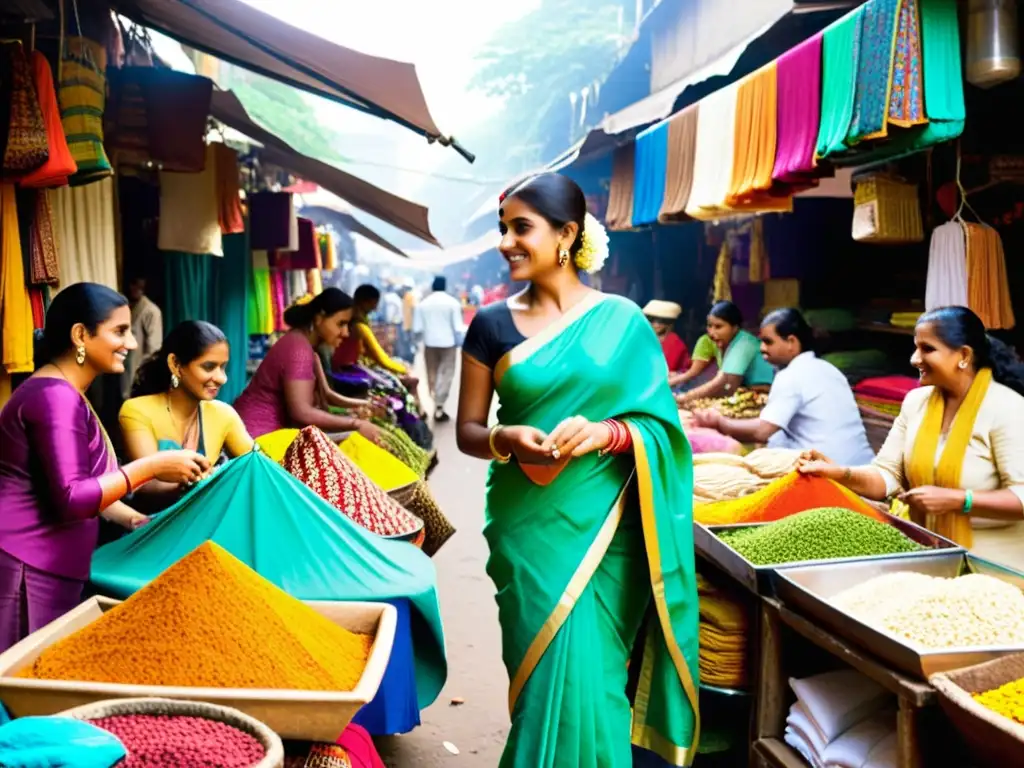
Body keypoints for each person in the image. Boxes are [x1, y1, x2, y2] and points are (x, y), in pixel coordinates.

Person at [456, 173, 698, 766]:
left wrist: (605, 434)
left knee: (595, 674)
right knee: (542, 679)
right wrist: (505, 436)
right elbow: (466, 431)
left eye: (521, 228)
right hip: (527, 525)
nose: (506, 241)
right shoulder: (490, 325)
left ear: (566, 234)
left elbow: (663, 429)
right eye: (502, 228)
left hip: (605, 527)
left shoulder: (623, 321)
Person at [0, 283, 208, 651]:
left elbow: (84, 482)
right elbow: (71, 497)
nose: (130, 343)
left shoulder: (63, 391)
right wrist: (153, 465)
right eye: (119, 331)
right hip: (26, 568)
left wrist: (134, 520)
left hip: (46, 563)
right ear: (81, 334)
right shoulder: (54, 397)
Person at [800, 306, 1024, 551]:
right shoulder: (916, 403)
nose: (914, 359)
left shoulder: (1007, 408)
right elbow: (888, 475)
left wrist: (960, 500)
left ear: (964, 355)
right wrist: (838, 473)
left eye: (927, 349)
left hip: (994, 567)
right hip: (929, 552)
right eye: (916, 347)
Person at [693, 308, 874, 465]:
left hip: (830, 472)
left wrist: (719, 423)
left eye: (768, 341)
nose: (762, 348)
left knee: (767, 445)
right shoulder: (829, 369)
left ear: (792, 342)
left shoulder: (791, 375)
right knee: (776, 437)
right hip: (862, 466)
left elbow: (762, 431)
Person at [120, 321, 255, 512]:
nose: (221, 378)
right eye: (209, 367)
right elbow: (144, 485)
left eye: (223, 367)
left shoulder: (223, 414)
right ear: (175, 364)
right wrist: (187, 485)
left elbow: (256, 463)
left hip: (204, 525)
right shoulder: (137, 410)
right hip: (150, 527)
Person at [234, 289, 381, 443]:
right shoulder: (299, 350)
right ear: (319, 318)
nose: (345, 333)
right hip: (257, 439)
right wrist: (355, 424)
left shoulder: (305, 347)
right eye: (341, 324)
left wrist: (366, 406)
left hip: (261, 433)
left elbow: (328, 394)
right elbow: (301, 411)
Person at [676, 300, 774, 407]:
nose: (711, 333)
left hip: (767, 396)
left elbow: (723, 383)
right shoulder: (723, 343)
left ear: (734, 328)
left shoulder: (744, 343)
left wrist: (685, 397)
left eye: (718, 327)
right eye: (709, 326)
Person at [415, 276, 464, 422]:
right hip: (448, 344)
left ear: (432, 286)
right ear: (445, 286)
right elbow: (458, 327)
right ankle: (439, 406)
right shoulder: (452, 303)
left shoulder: (423, 304)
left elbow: (417, 328)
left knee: (432, 374)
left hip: (429, 344)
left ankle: (435, 401)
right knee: (447, 374)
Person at [120, 276, 163, 400]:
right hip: (124, 367)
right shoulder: (125, 307)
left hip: (138, 368)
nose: (135, 289)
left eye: (139, 286)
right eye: (133, 284)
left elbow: (154, 347)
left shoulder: (150, 311)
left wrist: (143, 370)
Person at [643, 300, 691, 378]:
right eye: (651, 319)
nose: (656, 324)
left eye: (661, 321)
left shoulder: (673, 341)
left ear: (669, 323)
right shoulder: (644, 338)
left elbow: (668, 367)